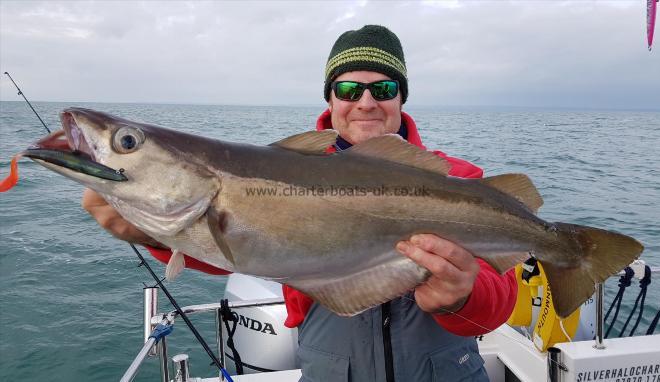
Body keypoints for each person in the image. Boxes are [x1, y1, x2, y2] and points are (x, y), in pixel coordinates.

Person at [82, 25, 517, 381]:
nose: (365, 103)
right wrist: (153, 231)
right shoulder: (282, 170)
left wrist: (462, 297)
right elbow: (239, 248)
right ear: (330, 98)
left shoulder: (460, 180)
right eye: (348, 89)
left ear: (402, 97)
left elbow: (501, 304)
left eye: (383, 87)